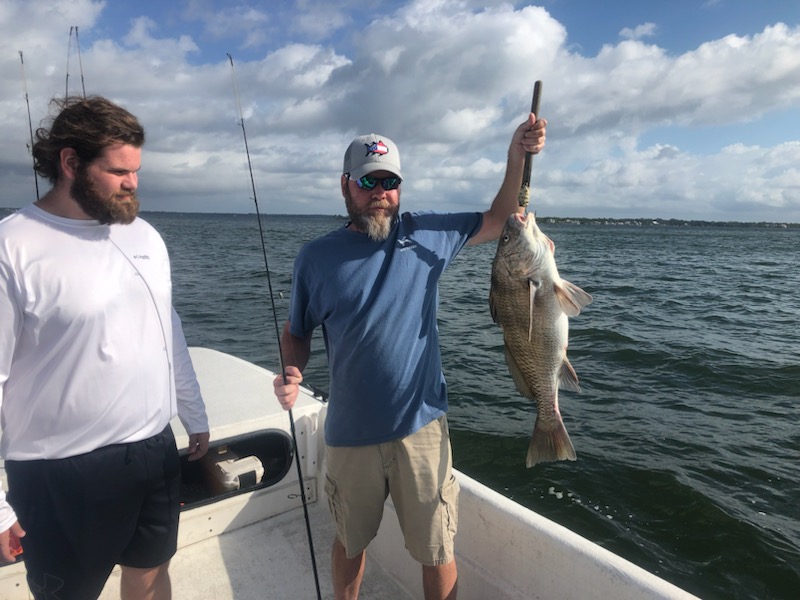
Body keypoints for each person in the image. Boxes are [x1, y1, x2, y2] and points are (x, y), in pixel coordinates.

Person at [273, 112, 547, 600]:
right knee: (350, 543)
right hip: (349, 434)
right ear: (345, 186)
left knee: (437, 549)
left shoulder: (429, 234)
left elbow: (501, 217)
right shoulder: (315, 258)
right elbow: (296, 332)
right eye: (368, 181)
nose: (380, 191)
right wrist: (293, 368)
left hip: (422, 429)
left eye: (390, 181)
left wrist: (516, 155)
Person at [0, 95, 210, 600]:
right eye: (119, 171)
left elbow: (168, 330)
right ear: (70, 163)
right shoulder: (13, 246)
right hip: (59, 472)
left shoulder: (146, 237)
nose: (133, 183)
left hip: (154, 452)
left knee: (152, 572)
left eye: (136, 171)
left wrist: (192, 410)